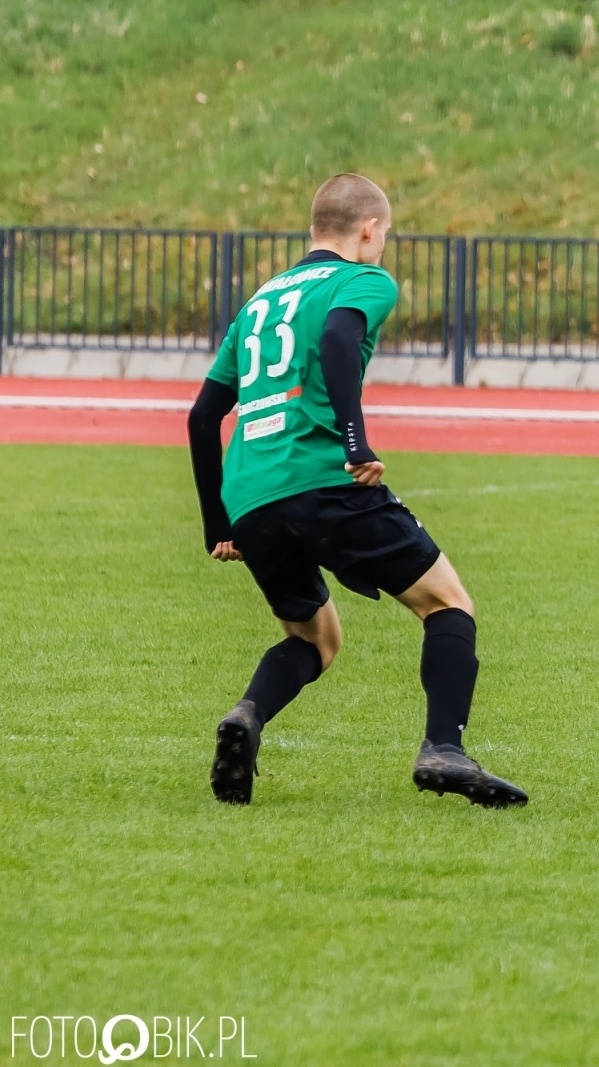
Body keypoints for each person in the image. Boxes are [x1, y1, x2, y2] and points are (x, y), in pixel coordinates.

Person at [187, 173, 527, 808]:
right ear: (369, 230)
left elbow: (203, 417)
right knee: (447, 603)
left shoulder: (260, 302)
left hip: (253, 498)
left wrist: (219, 523)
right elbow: (340, 338)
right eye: (385, 234)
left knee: (314, 639)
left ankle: (245, 717)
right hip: (324, 482)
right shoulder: (363, 280)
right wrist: (354, 443)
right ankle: (444, 749)